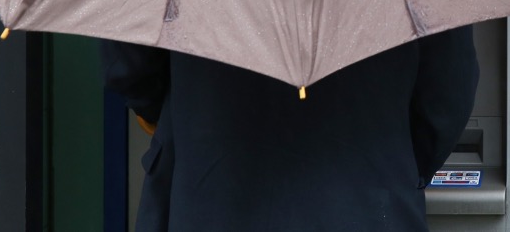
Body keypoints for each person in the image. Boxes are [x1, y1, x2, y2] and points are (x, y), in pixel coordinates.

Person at [101, 26, 479, 231]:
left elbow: (128, 66)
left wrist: (185, 120)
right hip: (366, 206)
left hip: (207, 198)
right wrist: (385, 164)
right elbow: (446, 97)